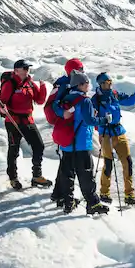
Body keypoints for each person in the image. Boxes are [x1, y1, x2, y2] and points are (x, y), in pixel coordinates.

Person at [55, 70, 111, 215]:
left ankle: (68, 202)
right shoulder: (84, 100)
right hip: (81, 143)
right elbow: (89, 121)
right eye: (87, 83)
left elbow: (61, 112)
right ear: (80, 85)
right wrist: (105, 119)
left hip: (67, 144)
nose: (89, 85)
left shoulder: (66, 97)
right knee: (86, 175)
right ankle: (92, 203)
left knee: (67, 174)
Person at [0, 59, 52, 190]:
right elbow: (1, 102)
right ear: (16, 70)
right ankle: (13, 177)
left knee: (38, 146)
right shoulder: (10, 84)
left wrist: (43, 86)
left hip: (28, 120)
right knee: (14, 149)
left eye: (28, 68)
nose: (27, 70)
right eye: (24, 68)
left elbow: (39, 100)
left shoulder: (30, 84)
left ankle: (37, 176)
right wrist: (2, 110)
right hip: (13, 122)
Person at [92, 72, 135, 206]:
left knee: (127, 161)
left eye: (110, 82)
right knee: (108, 164)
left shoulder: (114, 94)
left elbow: (131, 100)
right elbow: (91, 116)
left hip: (118, 131)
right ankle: (104, 192)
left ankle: (129, 193)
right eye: (107, 82)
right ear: (101, 84)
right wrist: (100, 126)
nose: (109, 84)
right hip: (106, 134)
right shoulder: (96, 99)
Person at [49, 58, 84, 208]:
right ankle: (65, 198)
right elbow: (56, 104)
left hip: (67, 126)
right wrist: (63, 113)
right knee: (68, 165)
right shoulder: (66, 84)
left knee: (65, 163)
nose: (82, 71)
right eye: (80, 68)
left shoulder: (67, 82)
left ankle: (58, 193)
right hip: (67, 127)